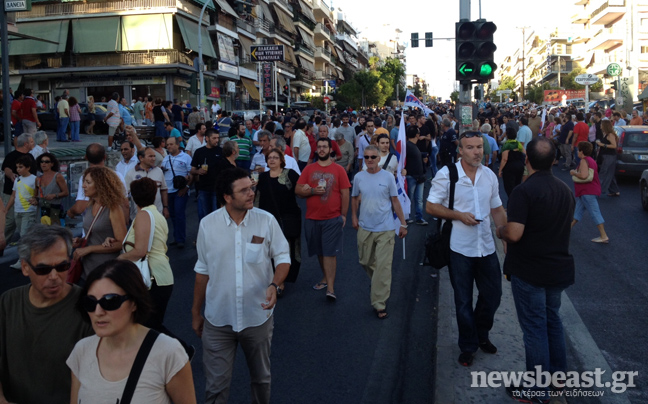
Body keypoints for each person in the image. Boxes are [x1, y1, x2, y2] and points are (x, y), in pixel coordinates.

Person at [192, 168, 290, 404]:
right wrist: (196, 312)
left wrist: (275, 284)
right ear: (227, 196)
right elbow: (202, 271)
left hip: (257, 316)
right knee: (215, 387)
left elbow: (283, 257)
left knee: (261, 380)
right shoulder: (207, 225)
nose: (251, 193)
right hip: (218, 320)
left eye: (252, 187)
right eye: (244, 190)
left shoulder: (266, 221)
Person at [497, 137, 575, 402]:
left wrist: (500, 230)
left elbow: (515, 234)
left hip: (530, 271)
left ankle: (537, 390)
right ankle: (557, 380)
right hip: (558, 269)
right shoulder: (564, 189)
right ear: (554, 160)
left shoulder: (524, 191)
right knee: (552, 321)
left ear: (527, 161)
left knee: (534, 329)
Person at [426, 131, 508, 367]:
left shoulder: (489, 176)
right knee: (462, 301)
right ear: (460, 150)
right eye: (470, 147)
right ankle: (468, 345)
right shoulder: (447, 174)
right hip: (459, 249)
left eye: (479, 147)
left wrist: (504, 238)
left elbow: (498, 209)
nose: (476, 152)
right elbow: (431, 207)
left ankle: (482, 334)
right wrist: (458, 216)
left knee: (492, 296)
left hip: (487, 248)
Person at [67, 260, 196, 403]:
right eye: (90, 302)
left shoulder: (168, 353)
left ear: (134, 302)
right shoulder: (82, 351)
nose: (98, 312)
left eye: (110, 301)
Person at [0, 225, 93, 404]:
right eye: (43, 270)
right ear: (25, 268)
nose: (54, 276)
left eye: (62, 266)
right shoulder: (8, 303)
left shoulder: (88, 308)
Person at [351, 145, 407, 319]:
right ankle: (379, 282)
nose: (369, 160)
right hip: (365, 227)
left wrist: (403, 224)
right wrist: (353, 216)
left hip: (386, 228)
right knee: (365, 261)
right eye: (366, 157)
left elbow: (395, 201)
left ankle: (379, 303)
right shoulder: (359, 177)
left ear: (378, 159)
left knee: (383, 267)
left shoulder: (388, 177)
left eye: (373, 157)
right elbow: (354, 197)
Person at [296, 138, 351, 300]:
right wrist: (312, 191)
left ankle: (331, 289)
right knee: (319, 251)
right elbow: (298, 190)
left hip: (332, 218)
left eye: (324, 147)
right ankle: (326, 277)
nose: (321, 149)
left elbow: (345, 194)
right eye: (319, 147)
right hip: (312, 218)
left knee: (329, 252)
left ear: (330, 150)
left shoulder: (339, 170)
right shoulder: (309, 169)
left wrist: (343, 215)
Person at [255, 148, 302, 296]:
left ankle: (280, 281)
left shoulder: (290, 174)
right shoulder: (261, 177)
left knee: (284, 250)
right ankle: (270, 278)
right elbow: (256, 197)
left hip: (286, 218)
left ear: (281, 160)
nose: (272, 160)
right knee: (266, 250)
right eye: (270, 157)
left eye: (275, 157)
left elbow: (301, 189)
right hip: (266, 218)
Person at [74, 167, 128, 280]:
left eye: (88, 182)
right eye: (84, 181)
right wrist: (80, 241)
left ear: (100, 185)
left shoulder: (113, 208)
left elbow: (121, 243)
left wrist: (90, 249)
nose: (83, 185)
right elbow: (94, 234)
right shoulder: (90, 205)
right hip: (87, 268)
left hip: (106, 270)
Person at [570, 142, 609, 243]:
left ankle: (603, 235)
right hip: (588, 191)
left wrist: (574, 172)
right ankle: (566, 230)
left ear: (582, 151)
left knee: (595, 212)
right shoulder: (591, 160)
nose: (577, 151)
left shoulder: (584, 160)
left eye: (578, 150)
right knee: (577, 212)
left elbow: (584, 175)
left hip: (587, 191)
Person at [4, 156, 38, 269]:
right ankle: (31, 257)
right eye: (17, 167)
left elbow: (38, 194)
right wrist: (6, 209)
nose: (18, 169)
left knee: (24, 236)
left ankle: (22, 261)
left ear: (28, 168)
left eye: (21, 167)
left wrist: (36, 200)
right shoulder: (17, 180)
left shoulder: (34, 179)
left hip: (28, 211)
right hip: (17, 211)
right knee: (24, 235)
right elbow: (13, 196)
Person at [161, 137, 192, 247]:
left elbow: (191, 173)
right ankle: (176, 237)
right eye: (167, 144)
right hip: (168, 191)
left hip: (180, 190)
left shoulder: (186, 157)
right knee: (173, 215)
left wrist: (186, 187)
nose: (168, 146)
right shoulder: (165, 159)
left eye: (171, 144)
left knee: (179, 214)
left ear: (178, 145)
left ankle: (181, 239)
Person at [125, 147, 169, 221]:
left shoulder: (159, 171)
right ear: (141, 158)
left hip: (157, 215)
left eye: (154, 156)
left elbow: (163, 190)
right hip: (138, 217)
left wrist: (165, 207)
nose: (153, 159)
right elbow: (125, 194)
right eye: (150, 156)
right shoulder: (131, 173)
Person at [191, 130, 222, 220]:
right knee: (204, 215)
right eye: (214, 138)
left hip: (217, 188)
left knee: (216, 215)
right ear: (207, 138)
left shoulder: (221, 151)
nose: (217, 140)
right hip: (203, 188)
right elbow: (192, 170)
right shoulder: (199, 152)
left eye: (217, 138)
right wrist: (198, 171)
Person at [35, 153, 69, 226]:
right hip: (42, 210)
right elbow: (36, 195)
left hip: (55, 209)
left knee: (56, 232)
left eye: (47, 162)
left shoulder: (58, 176)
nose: (44, 164)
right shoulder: (38, 178)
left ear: (52, 164)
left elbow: (66, 192)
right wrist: (34, 200)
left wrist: (54, 195)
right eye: (42, 161)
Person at [403, 126, 427, 225]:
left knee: (418, 199)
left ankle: (418, 217)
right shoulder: (408, 146)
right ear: (417, 135)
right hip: (412, 177)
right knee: (410, 198)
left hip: (418, 177)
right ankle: (407, 216)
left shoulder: (411, 145)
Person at [498, 128, 526, 200]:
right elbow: (525, 154)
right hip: (520, 166)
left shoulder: (507, 145)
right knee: (517, 185)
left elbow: (504, 159)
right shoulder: (518, 143)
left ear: (507, 135)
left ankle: (511, 205)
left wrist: (500, 170)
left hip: (509, 168)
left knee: (509, 188)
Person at [596, 120, 620, 197]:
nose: (600, 126)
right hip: (606, 155)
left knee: (603, 172)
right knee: (610, 173)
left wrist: (602, 144)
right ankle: (614, 190)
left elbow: (614, 146)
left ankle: (598, 190)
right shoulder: (606, 134)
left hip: (609, 156)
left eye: (601, 125)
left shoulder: (610, 135)